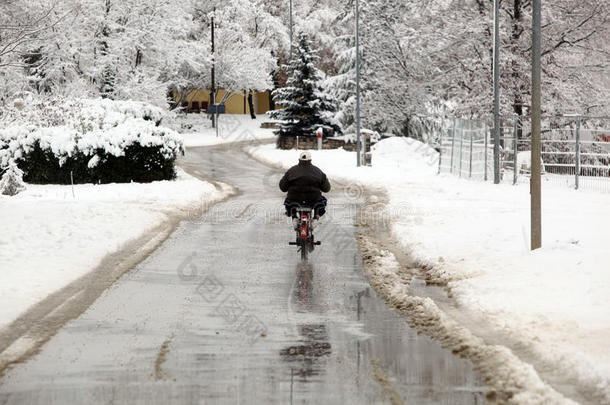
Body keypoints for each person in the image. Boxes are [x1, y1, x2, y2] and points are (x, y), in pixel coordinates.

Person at [279, 151, 331, 228]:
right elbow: (326, 189)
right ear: (310, 160)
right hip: (313, 200)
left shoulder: (291, 171)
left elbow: (283, 187)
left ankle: (294, 217)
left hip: (294, 200)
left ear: (299, 160)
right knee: (322, 201)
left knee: (288, 201)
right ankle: (316, 218)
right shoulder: (318, 171)